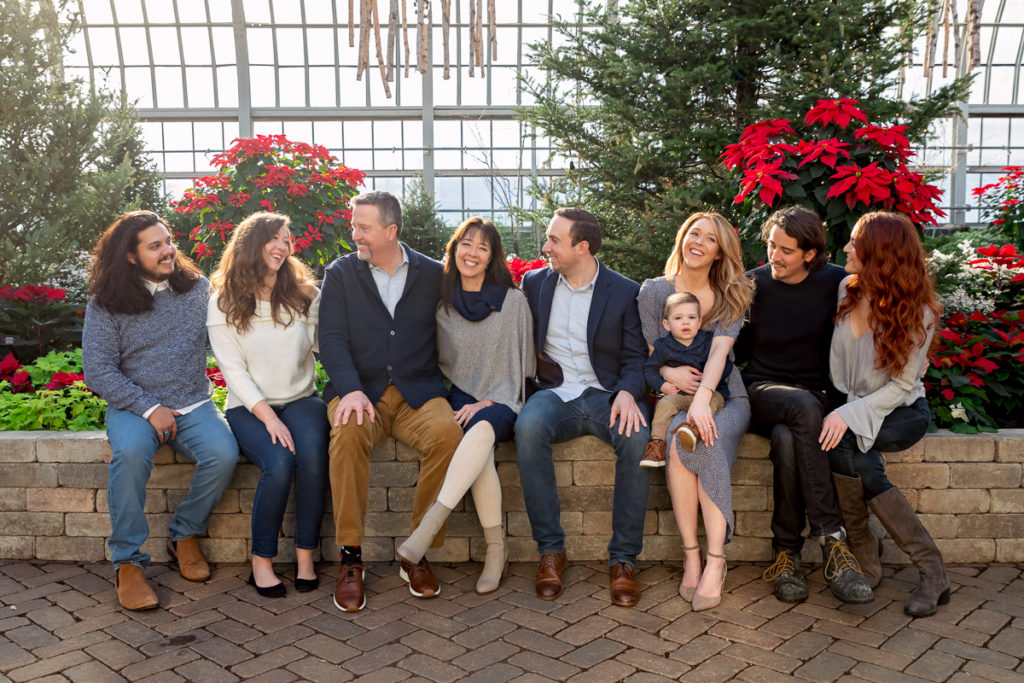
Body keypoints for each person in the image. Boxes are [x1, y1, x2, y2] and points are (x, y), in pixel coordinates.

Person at [83, 210, 238, 611]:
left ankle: (184, 533)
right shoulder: (107, 302)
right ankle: (128, 564)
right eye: (156, 246)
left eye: (168, 241)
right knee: (130, 455)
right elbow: (97, 370)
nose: (169, 250)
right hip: (134, 406)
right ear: (131, 256)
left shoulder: (196, 289)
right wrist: (149, 408)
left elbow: (233, 329)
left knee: (223, 455)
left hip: (193, 402)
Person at [319, 190, 462, 612]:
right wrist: (350, 389)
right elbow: (331, 338)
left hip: (418, 392)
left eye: (363, 228)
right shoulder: (341, 273)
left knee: (448, 436)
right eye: (354, 226)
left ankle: (416, 550)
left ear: (390, 231)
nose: (354, 234)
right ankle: (350, 558)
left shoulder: (433, 273)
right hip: (360, 391)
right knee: (345, 437)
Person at [733, 206, 873, 605]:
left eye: (785, 250)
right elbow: (734, 353)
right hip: (762, 391)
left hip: (813, 400)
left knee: (786, 440)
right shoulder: (753, 285)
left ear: (810, 254)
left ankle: (786, 555)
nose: (773, 256)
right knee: (799, 409)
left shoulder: (837, 284)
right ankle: (833, 541)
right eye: (771, 246)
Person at [514, 207, 651, 607]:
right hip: (556, 393)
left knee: (637, 439)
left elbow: (634, 358)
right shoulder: (535, 282)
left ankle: (623, 560)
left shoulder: (625, 291)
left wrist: (628, 391)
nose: (545, 247)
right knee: (528, 428)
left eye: (554, 240)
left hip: (608, 394)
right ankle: (551, 551)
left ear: (583, 247)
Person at [396, 217, 534, 594]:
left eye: (482, 248)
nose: (472, 253)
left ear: (492, 258)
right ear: (454, 248)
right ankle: (496, 549)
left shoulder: (512, 300)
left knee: (483, 426)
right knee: (479, 447)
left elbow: (520, 365)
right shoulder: (442, 301)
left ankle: (426, 529)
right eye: (466, 244)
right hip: (459, 394)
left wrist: (492, 398)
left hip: (502, 395)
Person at [821, 211, 947, 617]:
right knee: (855, 456)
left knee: (842, 440)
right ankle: (891, 559)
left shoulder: (920, 312)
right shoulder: (846, 289)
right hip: (848, 405)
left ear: (881, 253)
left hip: (902, 411)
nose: (845, 249)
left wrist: (848, 414)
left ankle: (919, 567)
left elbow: (901, 387)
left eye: (855, 243)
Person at [207, 212, 328, 598]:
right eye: (273, 238)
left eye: (286, 240)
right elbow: (233, 372)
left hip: (301, 399)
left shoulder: (304, 294)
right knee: (277, 462)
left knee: (311, 457)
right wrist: (268, 419)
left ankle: (305, 556)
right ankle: (262, 561)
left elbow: (325, 347)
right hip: (248, 407)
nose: (282, 246)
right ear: (250, 245)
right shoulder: (222, 302)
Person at [637, 212, 754, 611]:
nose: (698, 242)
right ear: (682, 237)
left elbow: (720, 351)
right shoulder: (654, 292)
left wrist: (703, 397)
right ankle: (692, 556)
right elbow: (655, 351)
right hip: (676, 395)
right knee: (675, 442)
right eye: (693, 233)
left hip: (726, 396)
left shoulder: (731, 294)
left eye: (710, 239)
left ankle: (716, 560)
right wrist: (670, 373)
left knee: (705, 436)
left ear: (720, 252)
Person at [641, 292, 732, 467]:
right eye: (678, 318)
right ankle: (657, 446)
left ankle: (694, 429)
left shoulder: (708, 342)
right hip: (680, 395)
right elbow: (649, 370)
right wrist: (662, 385)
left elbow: (725, 365)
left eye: (691, 317)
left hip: (709, 394)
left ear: (699, 322)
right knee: (665, 405)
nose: (685, 322)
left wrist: (708, 377)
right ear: (667, 324)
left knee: (712, 402)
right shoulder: (662, 346)